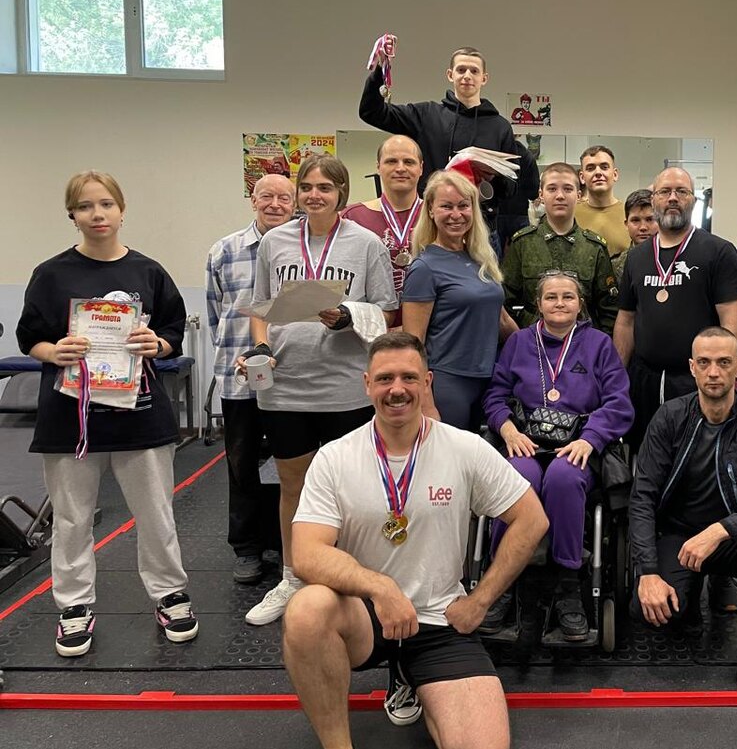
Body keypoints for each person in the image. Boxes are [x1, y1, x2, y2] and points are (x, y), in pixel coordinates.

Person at [283, 332, 548, 749]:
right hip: (366, 617)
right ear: (367, 384)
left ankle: (411, 672)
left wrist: (480, 601)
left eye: (409, 377)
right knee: (306, 610)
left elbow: (531, 519)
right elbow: (306, 553)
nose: (397, 389)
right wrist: (381, 588)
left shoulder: (464, 448)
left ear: (427, 383)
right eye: (385, 378)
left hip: (440, 619)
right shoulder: (335, 457)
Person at [17, 170, 197, 656]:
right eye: (85, 206)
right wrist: (53, 351)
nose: (97, 214)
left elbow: (173, 332)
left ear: (121, 210)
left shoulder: (148, 272)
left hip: (140, 414)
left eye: (105, 204)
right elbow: (29, 337)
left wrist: (156, 344)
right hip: (71, 417)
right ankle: (74, 605)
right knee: (72, 519)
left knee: (155, 514)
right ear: (71, 215)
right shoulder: (51, 274)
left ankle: (170, 594)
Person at [241, 154, 398, 627]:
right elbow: (260, 308)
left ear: (341, 194)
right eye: (307, 187)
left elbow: (386, 311)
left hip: (346, 385)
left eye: (325, 188)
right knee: (294, 484)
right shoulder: (275, 242)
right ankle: (293, 577)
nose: (315, 195)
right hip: (286, 386)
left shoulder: (366, 243)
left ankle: (352, 577)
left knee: (352, 489)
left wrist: (349, 316)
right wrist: (260, 348)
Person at [628, 327, 737, 692]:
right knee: (656, 615)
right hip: (679, 536)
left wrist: (721, 530)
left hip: (735, 536)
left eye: (724, 363)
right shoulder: (669, 417)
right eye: (704, 363)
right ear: (692, 368)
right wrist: (647, 572)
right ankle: (690, 591)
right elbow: (642, 496)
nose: (713, 372)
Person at [614, 166, 737, 613]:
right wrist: (616, 378)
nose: (673, 198)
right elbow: (626, 321)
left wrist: (722, 373)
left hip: (699, 382)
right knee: (652, 472)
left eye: (682, 192)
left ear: (694, 200)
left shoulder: (718, 252)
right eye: (665, 191)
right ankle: (654, 560)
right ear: (652, 198)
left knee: (709, 471)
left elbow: (731, 320)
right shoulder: (637, 258)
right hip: (646, 381)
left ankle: (722, 574)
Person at [480, 272, 634, 639]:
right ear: (539, 304)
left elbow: (619, 402)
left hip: (577, 445)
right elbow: (495, 395)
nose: (560, 303)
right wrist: (507, 429)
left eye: (568, 296)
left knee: (564, 478)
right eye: (551, 297)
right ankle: (502, 581)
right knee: (519, 477)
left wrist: (591, 439)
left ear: (580, 304)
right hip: (525, 442)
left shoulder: (599, 344)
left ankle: (568, 584)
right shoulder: (519, 342)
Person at [358, 39, 537, 250]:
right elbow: (371, 112)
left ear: (484, 78)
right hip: (431, 228)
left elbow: (511, 188)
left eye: (474, 71)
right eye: (461, 70)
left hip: (481, 232)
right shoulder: (426, 115)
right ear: (450, 75)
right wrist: (381, 70)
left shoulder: (500, 127)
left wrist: (490, 178)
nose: (467, 76)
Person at [205, 173, 295, 585]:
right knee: (241, 464)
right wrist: (234, 356)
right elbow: (215, 314)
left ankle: (285, 543)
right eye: (266, 196)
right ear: (253, 201)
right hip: (238, 377)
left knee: (292, 462)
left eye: (283, 198)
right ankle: (247, 548)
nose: (275, 204)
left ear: (294, 204)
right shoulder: (224, 250)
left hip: (292, 378)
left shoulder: (302, 250)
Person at [403, 169, 518, 430]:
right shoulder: (424, 267)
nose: (456, 214)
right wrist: (426, 402)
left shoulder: (482, 259)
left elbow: (501, 319)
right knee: (447, 455)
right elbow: (413, 343)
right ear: (430, 210)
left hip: (490, 379)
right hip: (448, 383)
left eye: (463, 206)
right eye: (446, 206)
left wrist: (538, 350)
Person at [501, 162, 619, 333]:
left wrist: (598, 345)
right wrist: (530, 331)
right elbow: (507, 301)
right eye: (552, 189)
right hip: (534, 340)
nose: (560, 196)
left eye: (568, 189)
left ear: (579, 195)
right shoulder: (523, 244)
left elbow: (609, 309)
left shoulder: (594, 248)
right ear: (541, 195)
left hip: (583, 343)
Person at [341, 135, 424, 316]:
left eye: (409, 162)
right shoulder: (352, 217)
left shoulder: (437, 215)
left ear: (421, 168)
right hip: (369, 326)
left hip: (429, 326)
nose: (400, 168)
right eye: (391, 161)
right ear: (378, 167)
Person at [574, 145, 630, 258]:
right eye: (590, 168)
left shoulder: (630, 214)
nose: (598, 173)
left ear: (615, 174)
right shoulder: (571, 216)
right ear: (582, 177)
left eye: (604, 167)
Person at [612, 188, 657, 282]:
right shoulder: (615, 266)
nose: (643, 227)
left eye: (649, 219)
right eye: (635, 220)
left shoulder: (675, 260)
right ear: (626, 224)